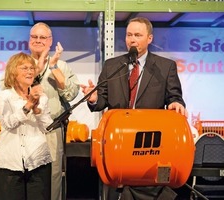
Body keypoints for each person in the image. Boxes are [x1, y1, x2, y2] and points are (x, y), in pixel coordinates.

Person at [80, 17, 188, 200]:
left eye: (138, 35)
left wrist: (176, 103)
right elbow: (101, 102)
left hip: (148, 145)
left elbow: (174, 96)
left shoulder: (165, 67)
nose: (132, 39)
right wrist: (94, 98)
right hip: (118, 147)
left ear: (150, 38)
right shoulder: (112, 66)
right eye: (129, 35)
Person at [0, 22, 80, 200]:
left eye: (42, 37)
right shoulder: (16, 63)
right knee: (20, 178)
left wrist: (52, 67)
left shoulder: (62, 65)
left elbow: (71, 94)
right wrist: (38, 65)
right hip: (21, 130)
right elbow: (5, 88)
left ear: (50, 41)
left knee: (51, 180)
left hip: (50, 130)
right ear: (29, 40)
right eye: (34, 37)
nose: (38, 40)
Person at [0, 52, 54, 200]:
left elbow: (48, 127)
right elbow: (8, 123)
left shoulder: (42, 97)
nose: (30, 71)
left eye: (32, 68)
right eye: (24, 68)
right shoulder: (4, 96)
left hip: (38, 162)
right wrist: (28, 106)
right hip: (9, 163)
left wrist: (38, 110)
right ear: (13, 72)